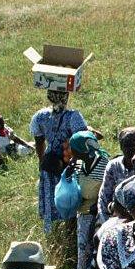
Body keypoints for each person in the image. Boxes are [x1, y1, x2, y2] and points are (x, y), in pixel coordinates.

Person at [31, 90, 94, 232]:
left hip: (49, 163)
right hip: (69, 164)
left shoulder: (40, 116)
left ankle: (53, 232)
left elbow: (39, 141)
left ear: (49, 97)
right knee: (70, 198)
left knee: (52, 197)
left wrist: (42, 162)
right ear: (66, 97)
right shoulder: (73, 117)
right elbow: (82, 140)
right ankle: (70, 231)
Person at [69, 131, 110, 269]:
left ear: (81, 149)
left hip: (100, 214)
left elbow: (109, 189)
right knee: (83, 249)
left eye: (73, 148)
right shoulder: (78, 165)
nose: (71, 151)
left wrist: (98, 205)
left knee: (99, 249)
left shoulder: (104, 164)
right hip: (83, 212)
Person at [96, 127, 135, 227]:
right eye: (128, 145)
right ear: (121, 147)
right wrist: (106, 224)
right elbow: (104, 197)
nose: (133, 149)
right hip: (116, 218)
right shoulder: (113, 166)